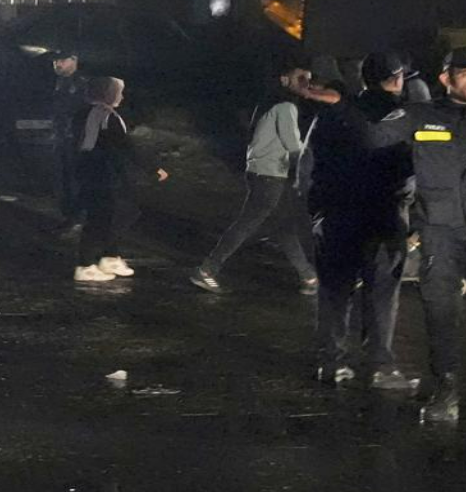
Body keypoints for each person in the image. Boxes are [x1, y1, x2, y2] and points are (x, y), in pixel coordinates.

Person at [303, 47, 466, 423]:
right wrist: (340, 105)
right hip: (433, 227)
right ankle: (442, 385)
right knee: (436, 306)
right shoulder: (420, 115)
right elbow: (372, 139)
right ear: (445, 78)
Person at [306, 52, 416, 389]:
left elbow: (308, 168)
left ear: (364, 79)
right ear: (397, 79)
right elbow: (417, 172)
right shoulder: (406, 118)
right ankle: (381, 367)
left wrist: (317, 213)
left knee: (335, 292)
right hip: (385, 219)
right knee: (382, 293)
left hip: (338, 217)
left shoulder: (332, 114)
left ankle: (331, 364)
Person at [190, 60, 320, 295]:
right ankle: (207, 269)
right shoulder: (285, 107)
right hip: (270, 173)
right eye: (301, 78)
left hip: (263, 171)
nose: (307, 84)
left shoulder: (269, 103)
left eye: (309, 79)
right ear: (284, 79)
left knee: (283, 226)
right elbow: (293, 147)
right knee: (248, 223)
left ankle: (308, 277)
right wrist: (309, 169)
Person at [73, 77, 168, 282]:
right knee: (111, 215)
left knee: (107, 214)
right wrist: (153, 168)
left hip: (90, 172)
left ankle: (110, 256)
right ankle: (86, 264)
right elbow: (126, 146)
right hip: (106, 174)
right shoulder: (107, 116)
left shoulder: (84, 113)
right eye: (118, 92)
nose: (122, 96)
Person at [49, 51, 90, 239]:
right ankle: (69, 219)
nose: (57, 64)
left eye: (61, 60)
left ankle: (78, 220)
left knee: (75, 181)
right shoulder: (60, 83)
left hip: (76, 141)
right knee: (63, 181)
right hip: (62, 139)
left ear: (74, 60)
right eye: (55, 60)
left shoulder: (82, 84)